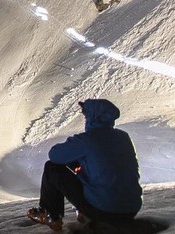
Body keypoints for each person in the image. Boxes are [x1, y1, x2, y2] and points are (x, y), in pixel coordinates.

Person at [26, 98, 142, 231]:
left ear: (93, 116)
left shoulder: (88, 140)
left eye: (86, 114)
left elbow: (55, 155)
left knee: (53, 168)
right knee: (92, 165)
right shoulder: (123, 137)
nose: (85, 117)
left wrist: (74, 145)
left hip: (104, 210)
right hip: (131, 209)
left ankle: (51, 215)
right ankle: (83, 212)